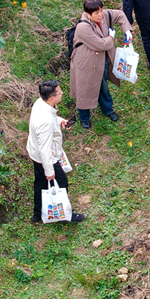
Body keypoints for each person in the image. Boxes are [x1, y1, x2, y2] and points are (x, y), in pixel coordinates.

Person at [69, 0, 133, 129]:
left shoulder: (103, 16)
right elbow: (100, 44)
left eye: (101, 10)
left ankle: (108, 110)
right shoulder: (82, 27)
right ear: (88, 14)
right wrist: (111, 37)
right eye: (96, 13)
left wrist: (127, 30)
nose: (100, 15)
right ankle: (84, 117)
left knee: (102, 85)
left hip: (100, 60)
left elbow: (120, 14)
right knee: (84, 89)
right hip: (85, 62)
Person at [26, 80, 85, 223]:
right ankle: (66, 214)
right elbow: (44, 149)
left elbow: (50, 117)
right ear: (52, 98)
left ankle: (38, 214)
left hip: (34, 153)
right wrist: (49, 171)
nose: (62, 94)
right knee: (62, 183)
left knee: (40, 183)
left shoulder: (41, 103)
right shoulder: (45, 122)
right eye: (59, 92)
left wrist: (59, 121)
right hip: (46, 158)